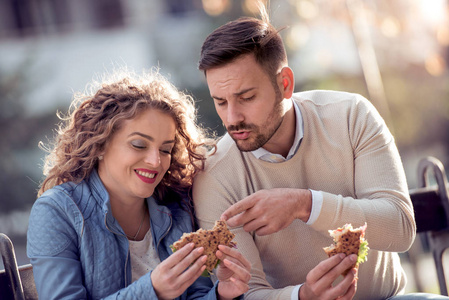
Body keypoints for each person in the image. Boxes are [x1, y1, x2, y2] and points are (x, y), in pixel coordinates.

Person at [192, 3, 448, 300]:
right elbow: (245, 293)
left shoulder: (352, 115)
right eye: (220, 102)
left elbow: (400, 227)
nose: (232, 117)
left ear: (285, 83)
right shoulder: (214, 173)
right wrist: (302, 296)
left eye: (246, 97)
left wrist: (305, 205)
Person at [26, 69, 251, 300]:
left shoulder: (177, 205)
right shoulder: (56, 212)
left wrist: (223, 295)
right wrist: (152, 290)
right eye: (139, 145)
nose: (156, 161)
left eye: (165, 149)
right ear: (100, 144)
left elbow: (196, 294)